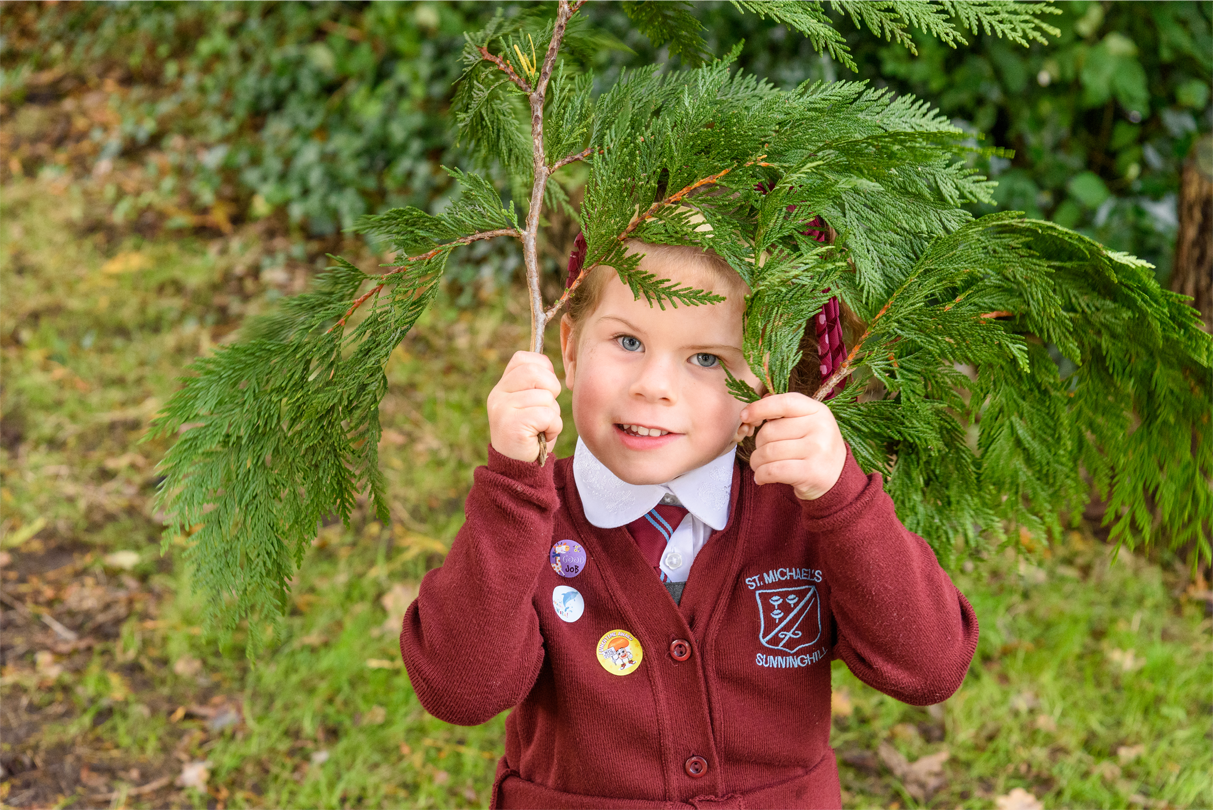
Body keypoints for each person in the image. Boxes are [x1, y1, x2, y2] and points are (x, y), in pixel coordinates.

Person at [400, 238, 979, 809]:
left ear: (762, 376)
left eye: (706, 359)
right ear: (570, 350)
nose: (654, 386)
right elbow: (459, 689)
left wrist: (842, 500)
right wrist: (510, 491)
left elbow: (928, 668)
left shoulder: (803, 512)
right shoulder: (527, 519)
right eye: (627, 341)